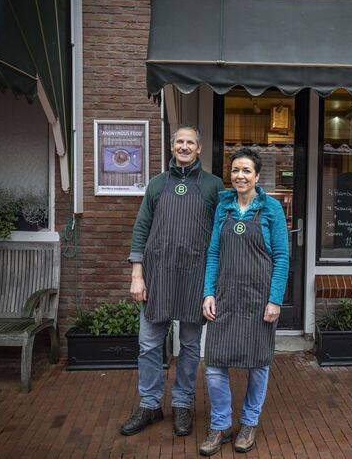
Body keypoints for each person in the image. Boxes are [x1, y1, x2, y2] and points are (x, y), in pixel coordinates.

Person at [121, 125, 224, 438]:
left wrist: (215, 283)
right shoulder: (157, 184)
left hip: (195, 277)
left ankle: (182, 403)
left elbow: (221, 234)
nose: (184, 146)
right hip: (158, 276)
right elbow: (141, 229)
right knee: (149, 345)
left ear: (199, 148)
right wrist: (137, 275)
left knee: (190, 347)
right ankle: (150, 404)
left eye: (190, 142)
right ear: (172, 146)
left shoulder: (213, 185)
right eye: (179, 141)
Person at [199, 147, 289, 456]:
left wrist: (275, 300)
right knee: (214, 364)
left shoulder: (271, 208)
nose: (240, 175)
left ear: (257, 176)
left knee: (258, 365)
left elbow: (282, 257)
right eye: (235, 170)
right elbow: (213, 253)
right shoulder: (223, 207)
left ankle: (249, 423)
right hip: (225, 297)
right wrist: (208, 292)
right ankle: (221, 424)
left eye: (246, 170)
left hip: (258, 299)